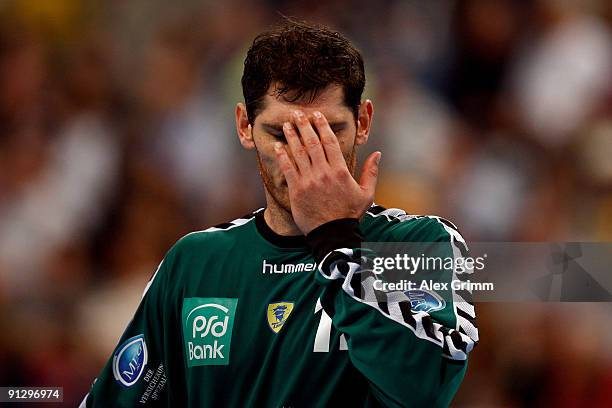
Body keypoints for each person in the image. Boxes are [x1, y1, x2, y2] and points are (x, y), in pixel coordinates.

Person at [80, 19, 478, 408]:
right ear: (244, 126)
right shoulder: (195, 263)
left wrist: (336, 242)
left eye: (329, 131)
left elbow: (424, 390)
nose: (305, 154)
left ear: (364, 123)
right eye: (280, 133)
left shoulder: (417, 244)